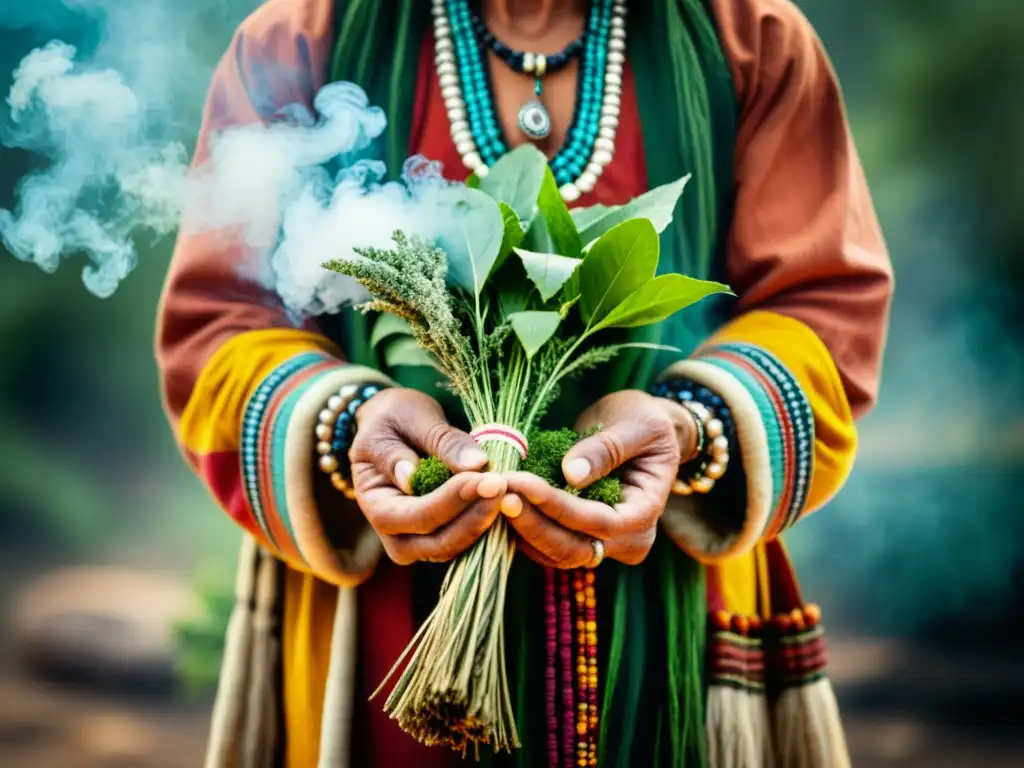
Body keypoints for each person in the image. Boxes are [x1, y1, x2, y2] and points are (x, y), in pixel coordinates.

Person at [157, 0, 892, 765]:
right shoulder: (298, 42)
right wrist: (347, 424)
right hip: (379, 607)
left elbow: (823, 308)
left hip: (674, 597)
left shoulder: (751, 39)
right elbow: (218, 325)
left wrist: (690, 426)